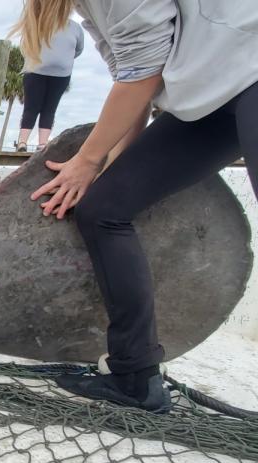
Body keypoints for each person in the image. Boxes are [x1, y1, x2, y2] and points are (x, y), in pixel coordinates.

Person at [15, 0, 258, 412]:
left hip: (249, 72)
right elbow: (135, 78)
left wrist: (87, 160)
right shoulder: (88, 9)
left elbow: (142, 77)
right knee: (104, 207)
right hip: (211, 98)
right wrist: (108, 167)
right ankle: (135, 375)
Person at [14, 17, 83, 151]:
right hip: (35, 71)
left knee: (50, 109)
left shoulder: (76, 27)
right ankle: (22, 143)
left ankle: (42, 144)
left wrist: (62, 59)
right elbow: (25, 45)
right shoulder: (36, 21)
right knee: (31, 108)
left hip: (61, 75)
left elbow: (78, 49)